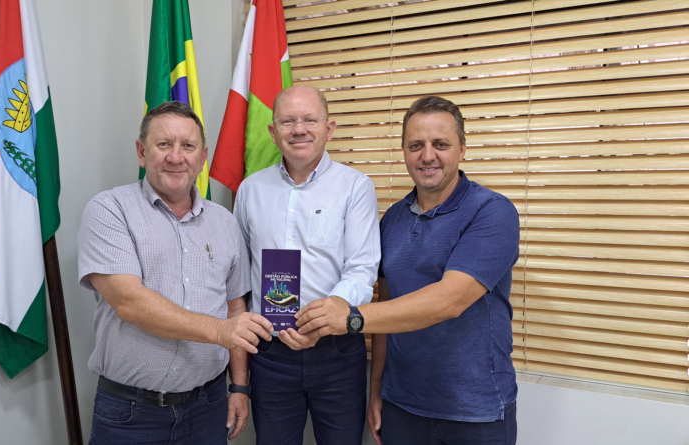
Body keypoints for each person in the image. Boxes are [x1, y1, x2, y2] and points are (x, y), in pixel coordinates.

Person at [296, 96, 520, 445]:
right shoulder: (393, 220)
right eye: (416, 145)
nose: (427, 156)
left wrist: (351, 317)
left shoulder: (492, 212)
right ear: (404, 151)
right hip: (402, 407)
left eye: (440, 144)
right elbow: (388, 310)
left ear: (462, 149)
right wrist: (376, 390)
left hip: (475, 413)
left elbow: (451, 300)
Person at [77, 101, 273, 445]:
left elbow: (235, 307)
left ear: (203, 156)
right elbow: (129, 303)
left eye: (188, 146)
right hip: (130, 413)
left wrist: (239, 385)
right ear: (142, 151)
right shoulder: (110, 209)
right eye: (163, 144)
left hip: (208, 406)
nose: (176, 157)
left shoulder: (225, 223)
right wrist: (220, 331)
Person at [233, 85, 380, 445]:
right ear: (273, 131)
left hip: (338, 354)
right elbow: (237, 276)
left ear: (329, 128)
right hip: (269, 355)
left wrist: (323, 319)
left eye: (309, 120)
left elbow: (362, 269)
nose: (299, 129)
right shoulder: (250, 190)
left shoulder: (355, 187)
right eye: (288, 121)